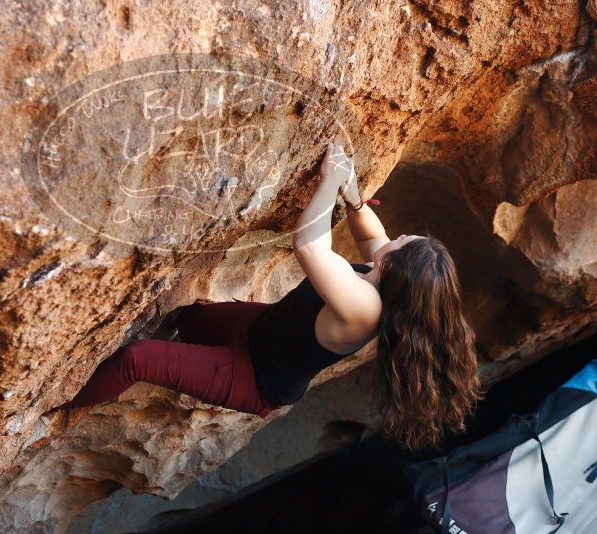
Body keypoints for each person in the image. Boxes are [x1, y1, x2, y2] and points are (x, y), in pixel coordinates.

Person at [46, 143, 483, 452]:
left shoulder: (365, 308)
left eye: (405, 241)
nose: (400, 234)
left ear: (395, 267)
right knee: (188, 318)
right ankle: (180, 353)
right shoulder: (384, 277)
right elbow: (374, 234)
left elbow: (311, 247)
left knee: (137, 358)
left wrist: (329, 182)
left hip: (253, 377)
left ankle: (50, 410)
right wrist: (352, 197)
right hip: (259, 329)